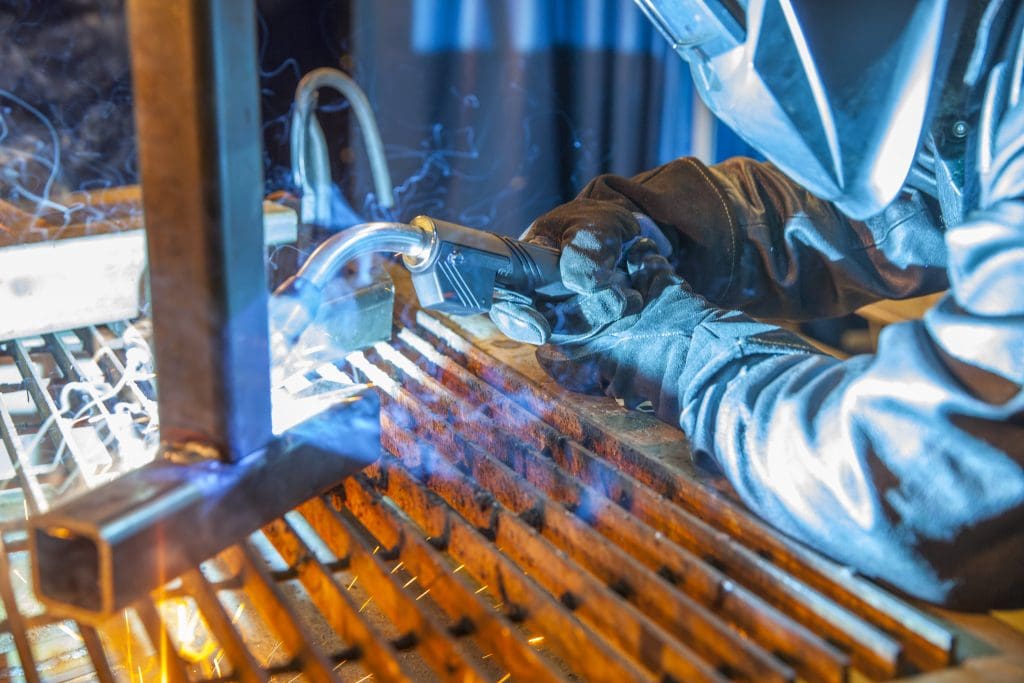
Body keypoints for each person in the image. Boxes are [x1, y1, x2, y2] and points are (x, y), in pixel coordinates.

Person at [488, 0, 1024, 610]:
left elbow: (934, 479)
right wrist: (666, 228)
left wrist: (678, 351)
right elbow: (907, 198)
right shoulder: (983, 43)